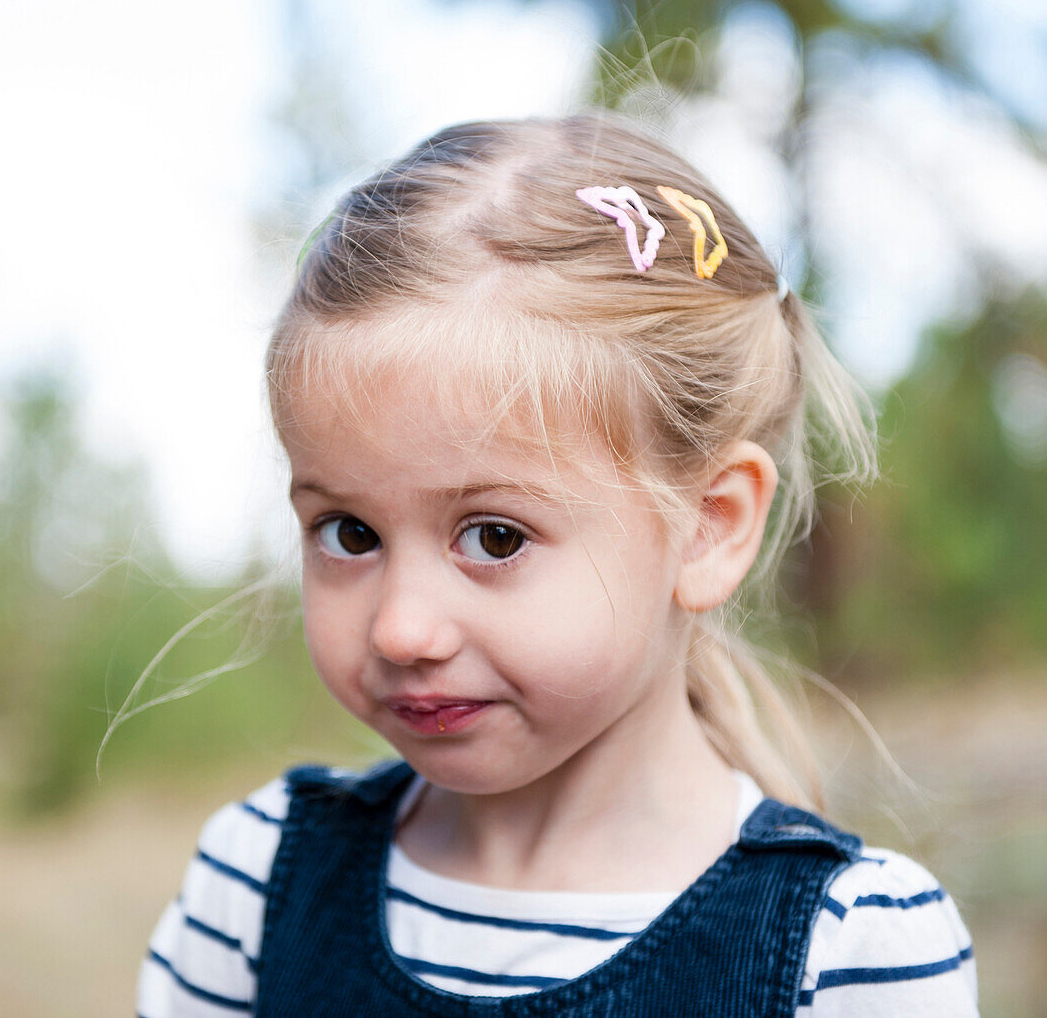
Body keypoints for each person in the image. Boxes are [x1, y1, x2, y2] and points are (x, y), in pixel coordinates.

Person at [136, 115, 978, 1016]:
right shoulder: (260, 884)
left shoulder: (850, 948)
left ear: (707, 526)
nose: (400, 628)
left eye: (495, 537)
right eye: (348, 533)